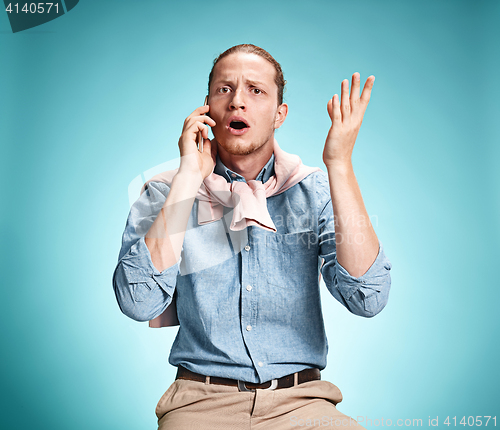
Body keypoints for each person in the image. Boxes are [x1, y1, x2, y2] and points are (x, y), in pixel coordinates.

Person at [113, 44, 392, 429]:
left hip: (302, 404)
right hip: (199, 405)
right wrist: (187, 181)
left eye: (255, 90)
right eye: (224, 89)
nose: (237, 102)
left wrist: (339, 165)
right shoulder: (164, 193)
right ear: (207, 107)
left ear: (280, 115)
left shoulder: (316, 191)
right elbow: (137, 301)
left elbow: (369, 297)